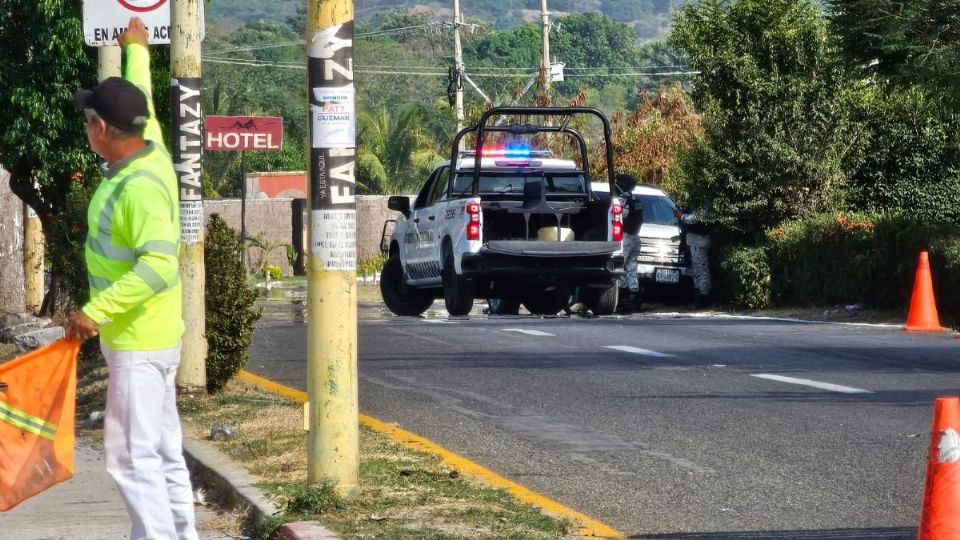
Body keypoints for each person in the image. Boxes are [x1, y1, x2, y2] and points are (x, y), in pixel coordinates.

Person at [64, 17, 199, 540]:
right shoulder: (151, 147)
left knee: (130, 459)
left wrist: (94, 311)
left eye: (88, 119)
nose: (86, 126)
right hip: (155, 338)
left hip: (139, 343)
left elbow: (159, 267)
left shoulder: (138, 188)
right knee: (162, 452)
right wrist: (136, 50)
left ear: (101, 129)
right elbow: (138, 94)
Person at [615, 173, 643, 310]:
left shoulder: (621, 200)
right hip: (636, 238)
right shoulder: (636, 200)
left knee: (618, 266)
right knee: (632, 269)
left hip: (625, 238)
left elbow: (617, 216)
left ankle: (621, 296)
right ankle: (634, 296)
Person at [674, 206, 712, 306]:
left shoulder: (704, 204)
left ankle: (703, 297)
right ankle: (698, 295)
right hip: (693, 242)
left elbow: (696, 218)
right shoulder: (693, 204)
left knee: (701, 270)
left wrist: (682, 216)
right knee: (694, 271)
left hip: (699, 242)